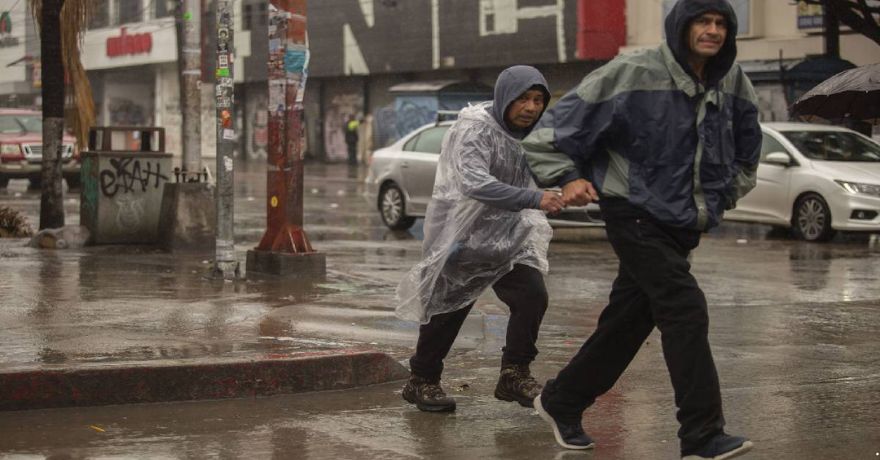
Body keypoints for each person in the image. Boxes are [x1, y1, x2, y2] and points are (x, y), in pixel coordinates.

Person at [522, 1, 761, 458]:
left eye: (720, 24)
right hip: (632, 212)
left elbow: (749, 150)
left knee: (628, 323)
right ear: (681, 26)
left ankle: (561, 400)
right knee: (685, 308)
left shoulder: (734, 81)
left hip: (683, 223)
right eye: (703, 22)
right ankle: (701, 434)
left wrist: (725, 194)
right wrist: (568, 178)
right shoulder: (633, 71)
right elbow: (549, 133)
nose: (712, 31)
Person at [395, 65, 564, 412]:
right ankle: (421, 381)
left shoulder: (534, 134)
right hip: (461, 235)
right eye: (522, 99)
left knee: (532, 297)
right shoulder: (474, 129)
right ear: (504, 97)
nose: (531, 108)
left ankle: (514, 374)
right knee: (447, 311)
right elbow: (474, 182)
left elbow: (554, 165)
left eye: (537, 100)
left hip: (509, 238)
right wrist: (535, 198)